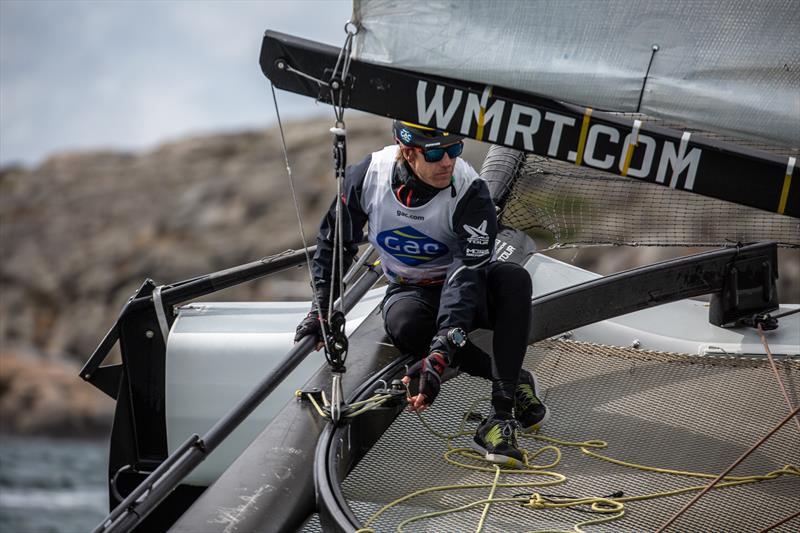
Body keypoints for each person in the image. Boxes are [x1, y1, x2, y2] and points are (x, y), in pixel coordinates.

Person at [295, 121, 549, 466]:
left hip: (465, 283)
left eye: (454, 148)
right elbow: (334, 243)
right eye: (435, 153)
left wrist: (442, 349)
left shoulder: (470, 191)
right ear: (408, 152)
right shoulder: (369, 176)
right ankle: (511, 375)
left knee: (514, 281)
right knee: (405, 325)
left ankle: (501, 413)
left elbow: (465, 279)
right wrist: (320, 308)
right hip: (410, 288)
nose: (447, 161)